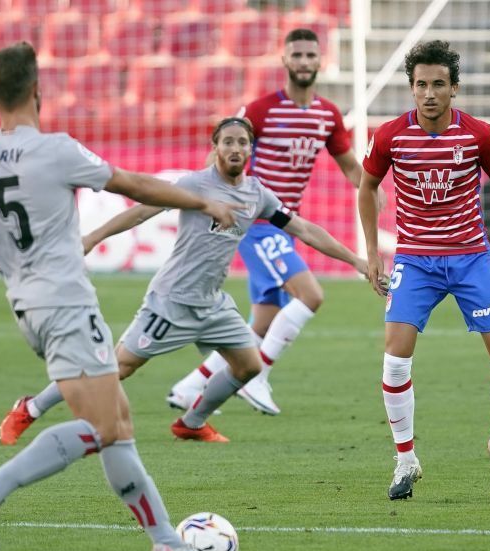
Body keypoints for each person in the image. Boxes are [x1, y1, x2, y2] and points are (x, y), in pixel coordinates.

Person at [0, 42, 233, 551]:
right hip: (67, 303)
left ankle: (167, 544)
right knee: (99, 427)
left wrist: (6, 264)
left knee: (117, 424)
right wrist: (200, 200)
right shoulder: (55, 149)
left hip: (29, 306)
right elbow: (130, 184)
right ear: (36, 91)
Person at [0, 116, 368, 445]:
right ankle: (30, 407)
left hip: (212, 303)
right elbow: (142, 212)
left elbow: (305, 229)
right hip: (171, 301)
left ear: (251, 149)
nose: (236, 148)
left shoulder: (257, 195)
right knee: (114, 369)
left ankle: (192, 423)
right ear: (215, 148)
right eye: (228, 142)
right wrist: (93, 238)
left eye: (243, 142)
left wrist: (356, 260)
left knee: (249, 366)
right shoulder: (193, 184)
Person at [165, 28, 385, 417]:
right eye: (296, 55)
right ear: (285, 60)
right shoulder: (261, 109)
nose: (303, 62)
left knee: (263, 322)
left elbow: (350, 165)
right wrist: (204, 198)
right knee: (310, 295)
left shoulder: (327, 115)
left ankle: (191, 387)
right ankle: (256, 376)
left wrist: (370, 187)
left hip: (285, 221)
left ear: (321, 61)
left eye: (310, 56)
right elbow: (221, 156)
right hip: (257, 221)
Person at [357, 40, 490, 502]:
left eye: (438, 84)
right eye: (420, 85)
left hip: (472, 258)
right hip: (414, 260)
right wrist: (374, 254)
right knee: (394, 359)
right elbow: (367, 186)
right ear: (410, 89)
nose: (428, 93)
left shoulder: (477, 133)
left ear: (454, 88)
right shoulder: (390, 135)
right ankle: (405, 460)